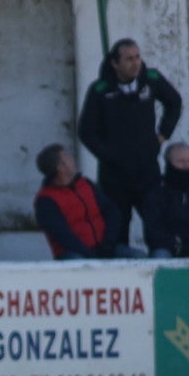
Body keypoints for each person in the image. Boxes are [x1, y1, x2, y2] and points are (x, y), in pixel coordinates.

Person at [77, 38, 182, 254]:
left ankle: (161, 262)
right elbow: (86, 132)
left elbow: (174, 102)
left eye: (137, 57)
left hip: (147, 171)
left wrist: (163, 134)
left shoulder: (151, 79)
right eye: (129, 59)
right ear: (115, 64)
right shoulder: (100, 90)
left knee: (157, 225)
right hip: (115, 176)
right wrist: (109, 156)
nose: (135, 64)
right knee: (116, 229)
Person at [33, 144, 144, 259]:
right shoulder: (46, 201)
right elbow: (63, 236)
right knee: (78, 262)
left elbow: (111, 211)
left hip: (105, 247)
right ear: (61, 168)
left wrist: (107, 245)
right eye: (67, 157)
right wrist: (90, 255)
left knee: (139, 257)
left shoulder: (85, 184)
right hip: (74, 253)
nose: (72, 159)